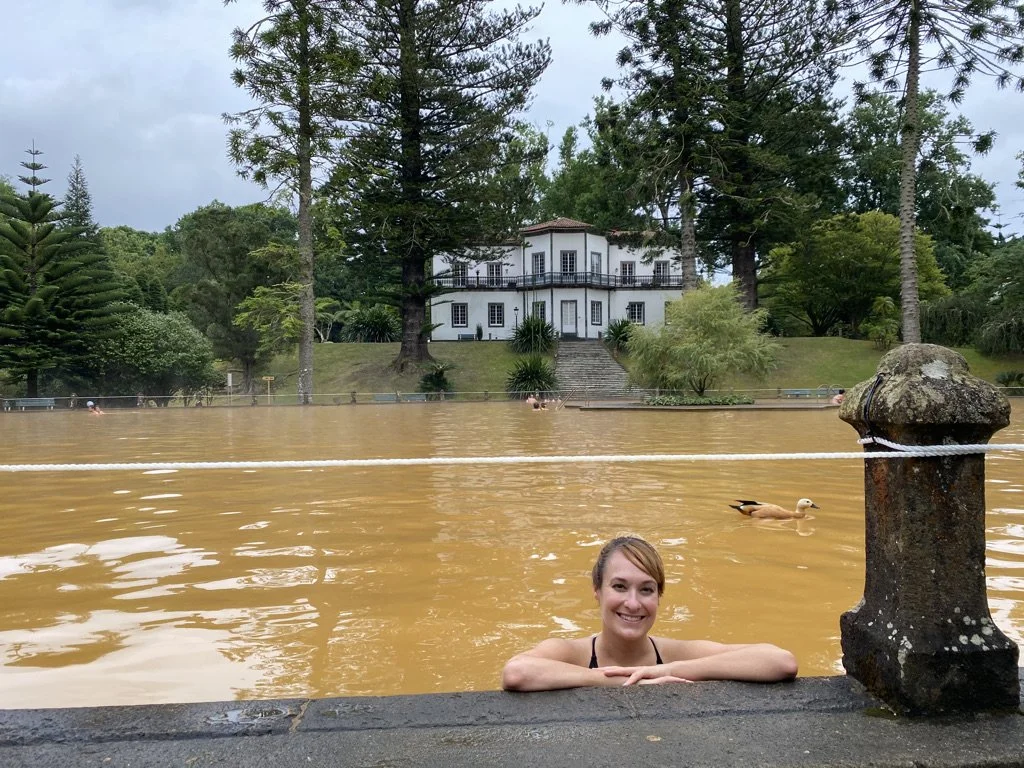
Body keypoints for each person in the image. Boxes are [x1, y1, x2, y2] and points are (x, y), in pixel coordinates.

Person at [501, 536, 798, 691]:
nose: (633, 603)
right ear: (597, 590)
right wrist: (626, 683)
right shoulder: (571, 652)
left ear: (659, 596)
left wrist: (667, 670)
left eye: (646, 590)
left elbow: (780, 661)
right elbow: (516, 673)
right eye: (619, 586)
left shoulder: (674, 653)